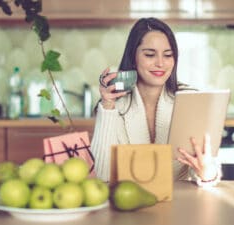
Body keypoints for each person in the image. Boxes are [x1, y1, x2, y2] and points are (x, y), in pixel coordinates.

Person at [90, 17, 221, 187]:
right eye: (150, 55)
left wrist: (207, 173)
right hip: (130, 206)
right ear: (133, 57)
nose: (160, 63)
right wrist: (107, 107)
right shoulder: (116, 106)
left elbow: (205, 168)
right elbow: (100, 174)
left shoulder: (188, 102)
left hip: (180, 206)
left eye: (168, 55)